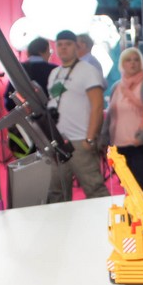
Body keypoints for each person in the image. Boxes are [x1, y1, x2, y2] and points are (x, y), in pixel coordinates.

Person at [46, 30, 109, 202]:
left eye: (68, 44)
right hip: (58, 141)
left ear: (77, 46)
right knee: (57, 191)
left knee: (94, 189)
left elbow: (97, 105)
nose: (63, 48)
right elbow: (55, 100)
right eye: (60, 44)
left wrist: (90, 138)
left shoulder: (88, 71)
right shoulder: (54, 73)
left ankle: (105, 218)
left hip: (81, 140)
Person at [100, 47, 143, 188]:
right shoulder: (116, 87)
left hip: (139, 143)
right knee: (127, 184)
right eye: (128, 60)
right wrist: (104, 138)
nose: (132, 63)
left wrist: (142, 137)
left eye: (136, 60)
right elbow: (110, 114)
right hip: (118, 143)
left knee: (141, 184)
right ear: (122, 64)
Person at [3, 36, 58, 157]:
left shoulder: (18, 70)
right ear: (44, 51)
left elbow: (8, 100)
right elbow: (59, 98)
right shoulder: (54, 70)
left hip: (24, 126)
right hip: (50, 125)